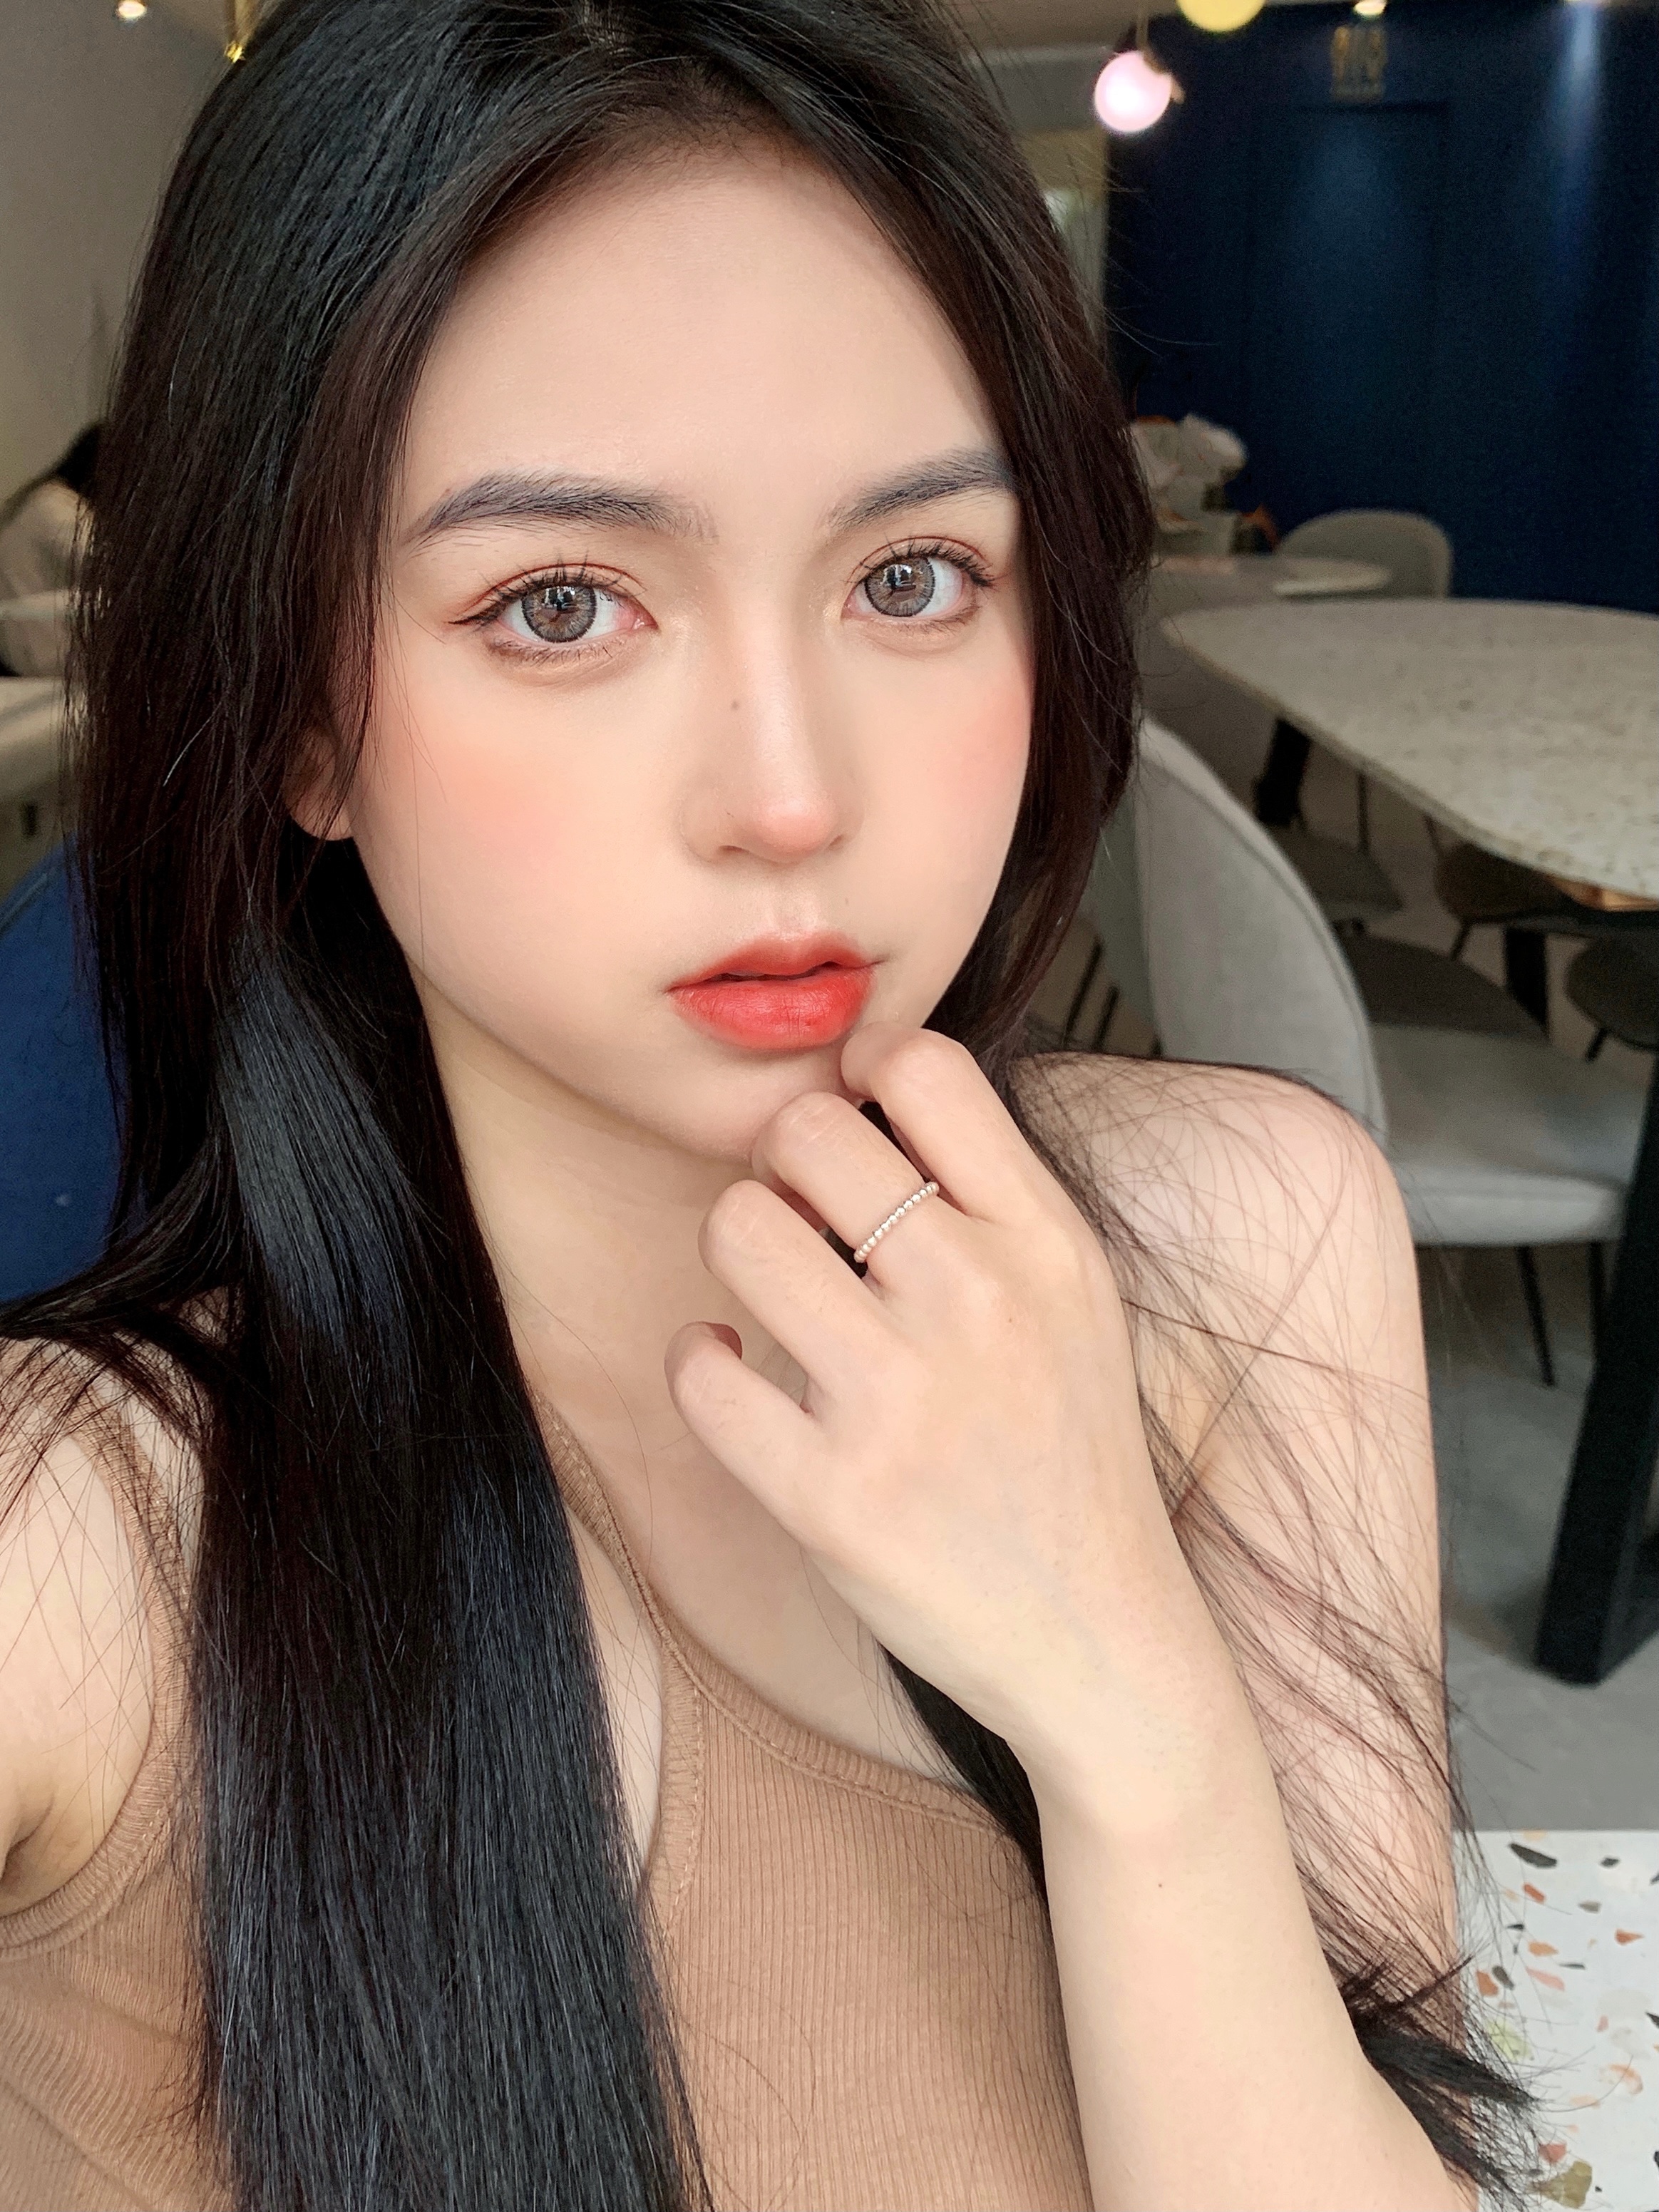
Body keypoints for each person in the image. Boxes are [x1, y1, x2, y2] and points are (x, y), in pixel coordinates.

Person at [0, 4, 1531, 2208]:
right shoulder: (96, 1537)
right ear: (302, 716)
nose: (790, 794)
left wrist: (1134, 1712)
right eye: (559, 604)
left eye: (912, 578)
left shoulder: (1241, 1239)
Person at [0, 424, 98, 677]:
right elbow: (107, 565)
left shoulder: (43, 499)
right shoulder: (54, 507)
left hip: (30, 648)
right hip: (48, 653)